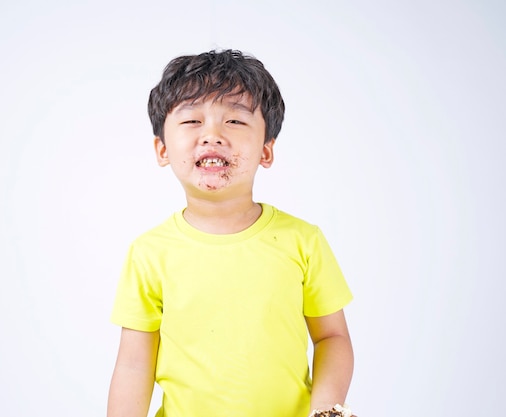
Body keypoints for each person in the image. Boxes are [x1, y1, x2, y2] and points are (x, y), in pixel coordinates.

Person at [107, 49, 355, 417]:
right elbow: (133, 364)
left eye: (235, 122)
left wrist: (325, 410)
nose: (212, 136)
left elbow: (331, 338)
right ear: (162, 148)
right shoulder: (149, 252)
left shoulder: (303, 241)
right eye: (192, 121)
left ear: (266, 150)